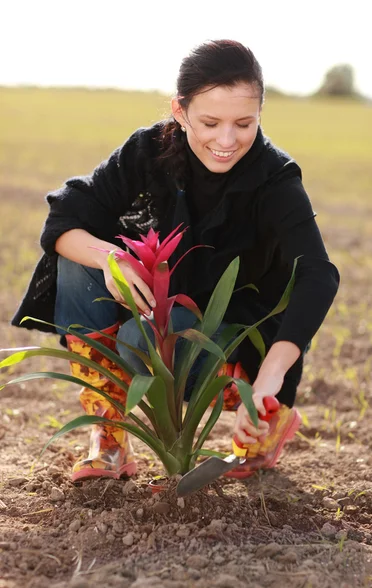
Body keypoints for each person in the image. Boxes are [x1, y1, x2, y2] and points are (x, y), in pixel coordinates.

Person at [12, 39, 340, 482]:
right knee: (81, 265)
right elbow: (65, 221)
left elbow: (317, 274)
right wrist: (113, 259)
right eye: (210, 122)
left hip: (229, 350)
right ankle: (108, 438)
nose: (227, 140)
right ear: (179, 111)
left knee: (138, 333)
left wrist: (269, 379)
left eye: (244, 123)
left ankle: (268, 415)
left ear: (261, 114)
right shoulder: (147, 151)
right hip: (155, 322)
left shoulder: (275, 179)